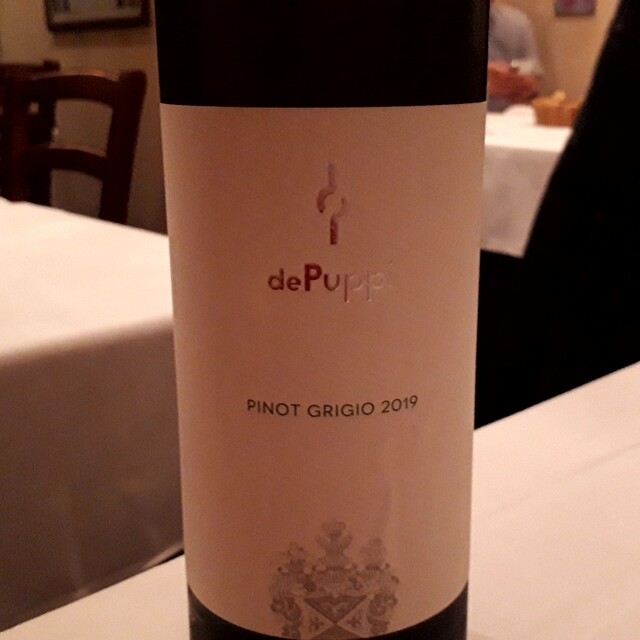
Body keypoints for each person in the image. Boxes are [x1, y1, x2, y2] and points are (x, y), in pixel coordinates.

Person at [488, 0, 543, 111]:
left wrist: (525, 85)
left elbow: (534, 74)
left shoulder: (517, 23)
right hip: (456, 115)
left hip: (510, 116)